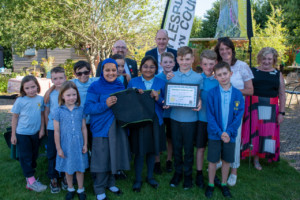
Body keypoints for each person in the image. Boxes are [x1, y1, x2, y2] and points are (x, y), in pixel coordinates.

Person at [84, 58, 131, 200]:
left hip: (117, 126)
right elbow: (88, 108)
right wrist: (105, 104)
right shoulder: (95, 87)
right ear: (102, 71)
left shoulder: (119, 85)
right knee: (101, 157)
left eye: (113, 70)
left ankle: (111, 182)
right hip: (101, 127)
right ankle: (99, 188)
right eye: (107, 70)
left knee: (114, 154)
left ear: (117, 71)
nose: (111, 73)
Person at [214, 37, 253, 186]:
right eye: (221, 49)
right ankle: (219, 162)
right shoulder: (217, 66)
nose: (224, 51)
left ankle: (234, 170)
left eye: (227, 48)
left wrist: (232, 92)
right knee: (218, 136)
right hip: (219, 108)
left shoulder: (242, 66)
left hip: (235, 109)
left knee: (233, 139)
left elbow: (250, 90)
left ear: (232, 49)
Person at [241, 47, 286, 170]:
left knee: (266, 133)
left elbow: (282, 94)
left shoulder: (278, 74)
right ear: (260, 58)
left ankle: (258, 158)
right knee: (252, 132)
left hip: (270, 108)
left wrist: (282, 112)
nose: (266, 61)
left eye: (269, 59)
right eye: (264, 58)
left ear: (274, 59)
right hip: (253, 106)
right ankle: (248, 153)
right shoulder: (252, 71)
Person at [205, 62, 244, 198]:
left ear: (230, 74)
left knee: (227, 160)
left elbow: (238, 116)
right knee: (213, 161)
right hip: (215, 134)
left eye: (225, 74)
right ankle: (210, 184)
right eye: (219, 75)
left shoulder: (238, 94)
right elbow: (210, 116)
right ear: (215, 77)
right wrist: (220, 132)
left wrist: (229, 132)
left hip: (230, 135)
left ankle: (223, 183)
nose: (223, 77)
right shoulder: (212, 94)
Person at [127, 55, 166, 192]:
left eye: (152, 66)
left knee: (152, 150)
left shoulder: (161, 83)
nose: (148, 69)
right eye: (145, 66)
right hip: (139, 121)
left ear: (156, 68)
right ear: (141, 68)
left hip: (155, 120)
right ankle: (138, 179)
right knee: (139, 151)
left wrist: (158, 98)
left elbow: (166, 105)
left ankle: (150, 177)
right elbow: (128, 103)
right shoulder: (133, 82)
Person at [168, 46, 202, 189]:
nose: (184, 62)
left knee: (188, 149)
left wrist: (199, 101)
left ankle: (188, 175)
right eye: (181, 59)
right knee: (177, 148)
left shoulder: (198, 77)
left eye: (188, 59)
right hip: (175, 118)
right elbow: (168, 95)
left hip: (191, 119)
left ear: (193, 59)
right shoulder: (171, 76)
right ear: (177, 60)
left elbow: (200, 96)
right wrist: (166, 101)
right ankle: (178, 173)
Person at [10, 75, 47, 192]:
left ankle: (30, 179)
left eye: (33, 87)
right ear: (23, 89)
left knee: (33, 156)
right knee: (25, 157)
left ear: (37, 86)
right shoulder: (20, 101)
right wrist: (13, 135)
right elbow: (15, 118)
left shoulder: (40, 99)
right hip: (22, 134)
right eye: (27, 88)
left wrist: (42, 129)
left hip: (35, 133)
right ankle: (31, 182)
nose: (31, 90)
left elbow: (42, 115)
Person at [53, 81, 89, 200]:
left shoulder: (80, 109)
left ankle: (80, 189)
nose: (72, 97)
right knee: (68, 169)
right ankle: (70, 188)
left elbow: (84, 128)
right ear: (62, 96)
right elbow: (57, 131)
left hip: (79, 144)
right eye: (68, 95)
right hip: (66, 145)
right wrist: (58, 148)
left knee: (79, 168)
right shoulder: (58, 111)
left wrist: (85, 144)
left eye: (74, 95)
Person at [195, 50, 219, 188]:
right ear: (201, 64)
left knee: (214, 149)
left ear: (215, 63)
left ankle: (213, 173)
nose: (208, 67)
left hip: (215, 121)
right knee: (200, 148)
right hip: (201, 119)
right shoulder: (198, 79)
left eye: (211, 64)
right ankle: (199, 173)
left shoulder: (219, 79)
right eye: (205, 64)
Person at [44, 66, 67, 193]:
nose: (58, 81)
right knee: (52, 153)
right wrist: (47, 127)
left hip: (66, 128)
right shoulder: (50, 94)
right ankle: (53, 177)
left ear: (65, 78)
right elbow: (47, 110)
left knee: (65, 152)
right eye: (55, 79)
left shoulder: (69, 90)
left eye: (60, 78)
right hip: (53, 128)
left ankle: (65, 176)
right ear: (51, 80)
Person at [155, 52, 176, 174]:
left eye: (170, 62)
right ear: (161, 63)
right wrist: (162, 101)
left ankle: (169, 160)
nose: (168, 64)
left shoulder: (177, 76)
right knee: (158, 136)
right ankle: (157, 161)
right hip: (160, 113)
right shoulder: (157, 78)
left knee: (170, 137)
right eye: (165, 62)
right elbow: (156, 95)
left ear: (174, 63)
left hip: (173, 113)